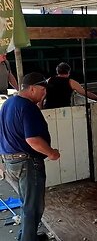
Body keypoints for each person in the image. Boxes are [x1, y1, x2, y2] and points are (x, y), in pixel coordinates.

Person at [0, 72, 61, 241]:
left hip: (11, 161)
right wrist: (52, 153)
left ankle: (28, 236)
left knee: (27, 203)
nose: (45, 93)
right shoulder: (27, 107)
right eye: (43, 90)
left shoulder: (8, 103)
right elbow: (32, 140)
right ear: (32, 88)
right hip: (27, 163)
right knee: (33, 207)